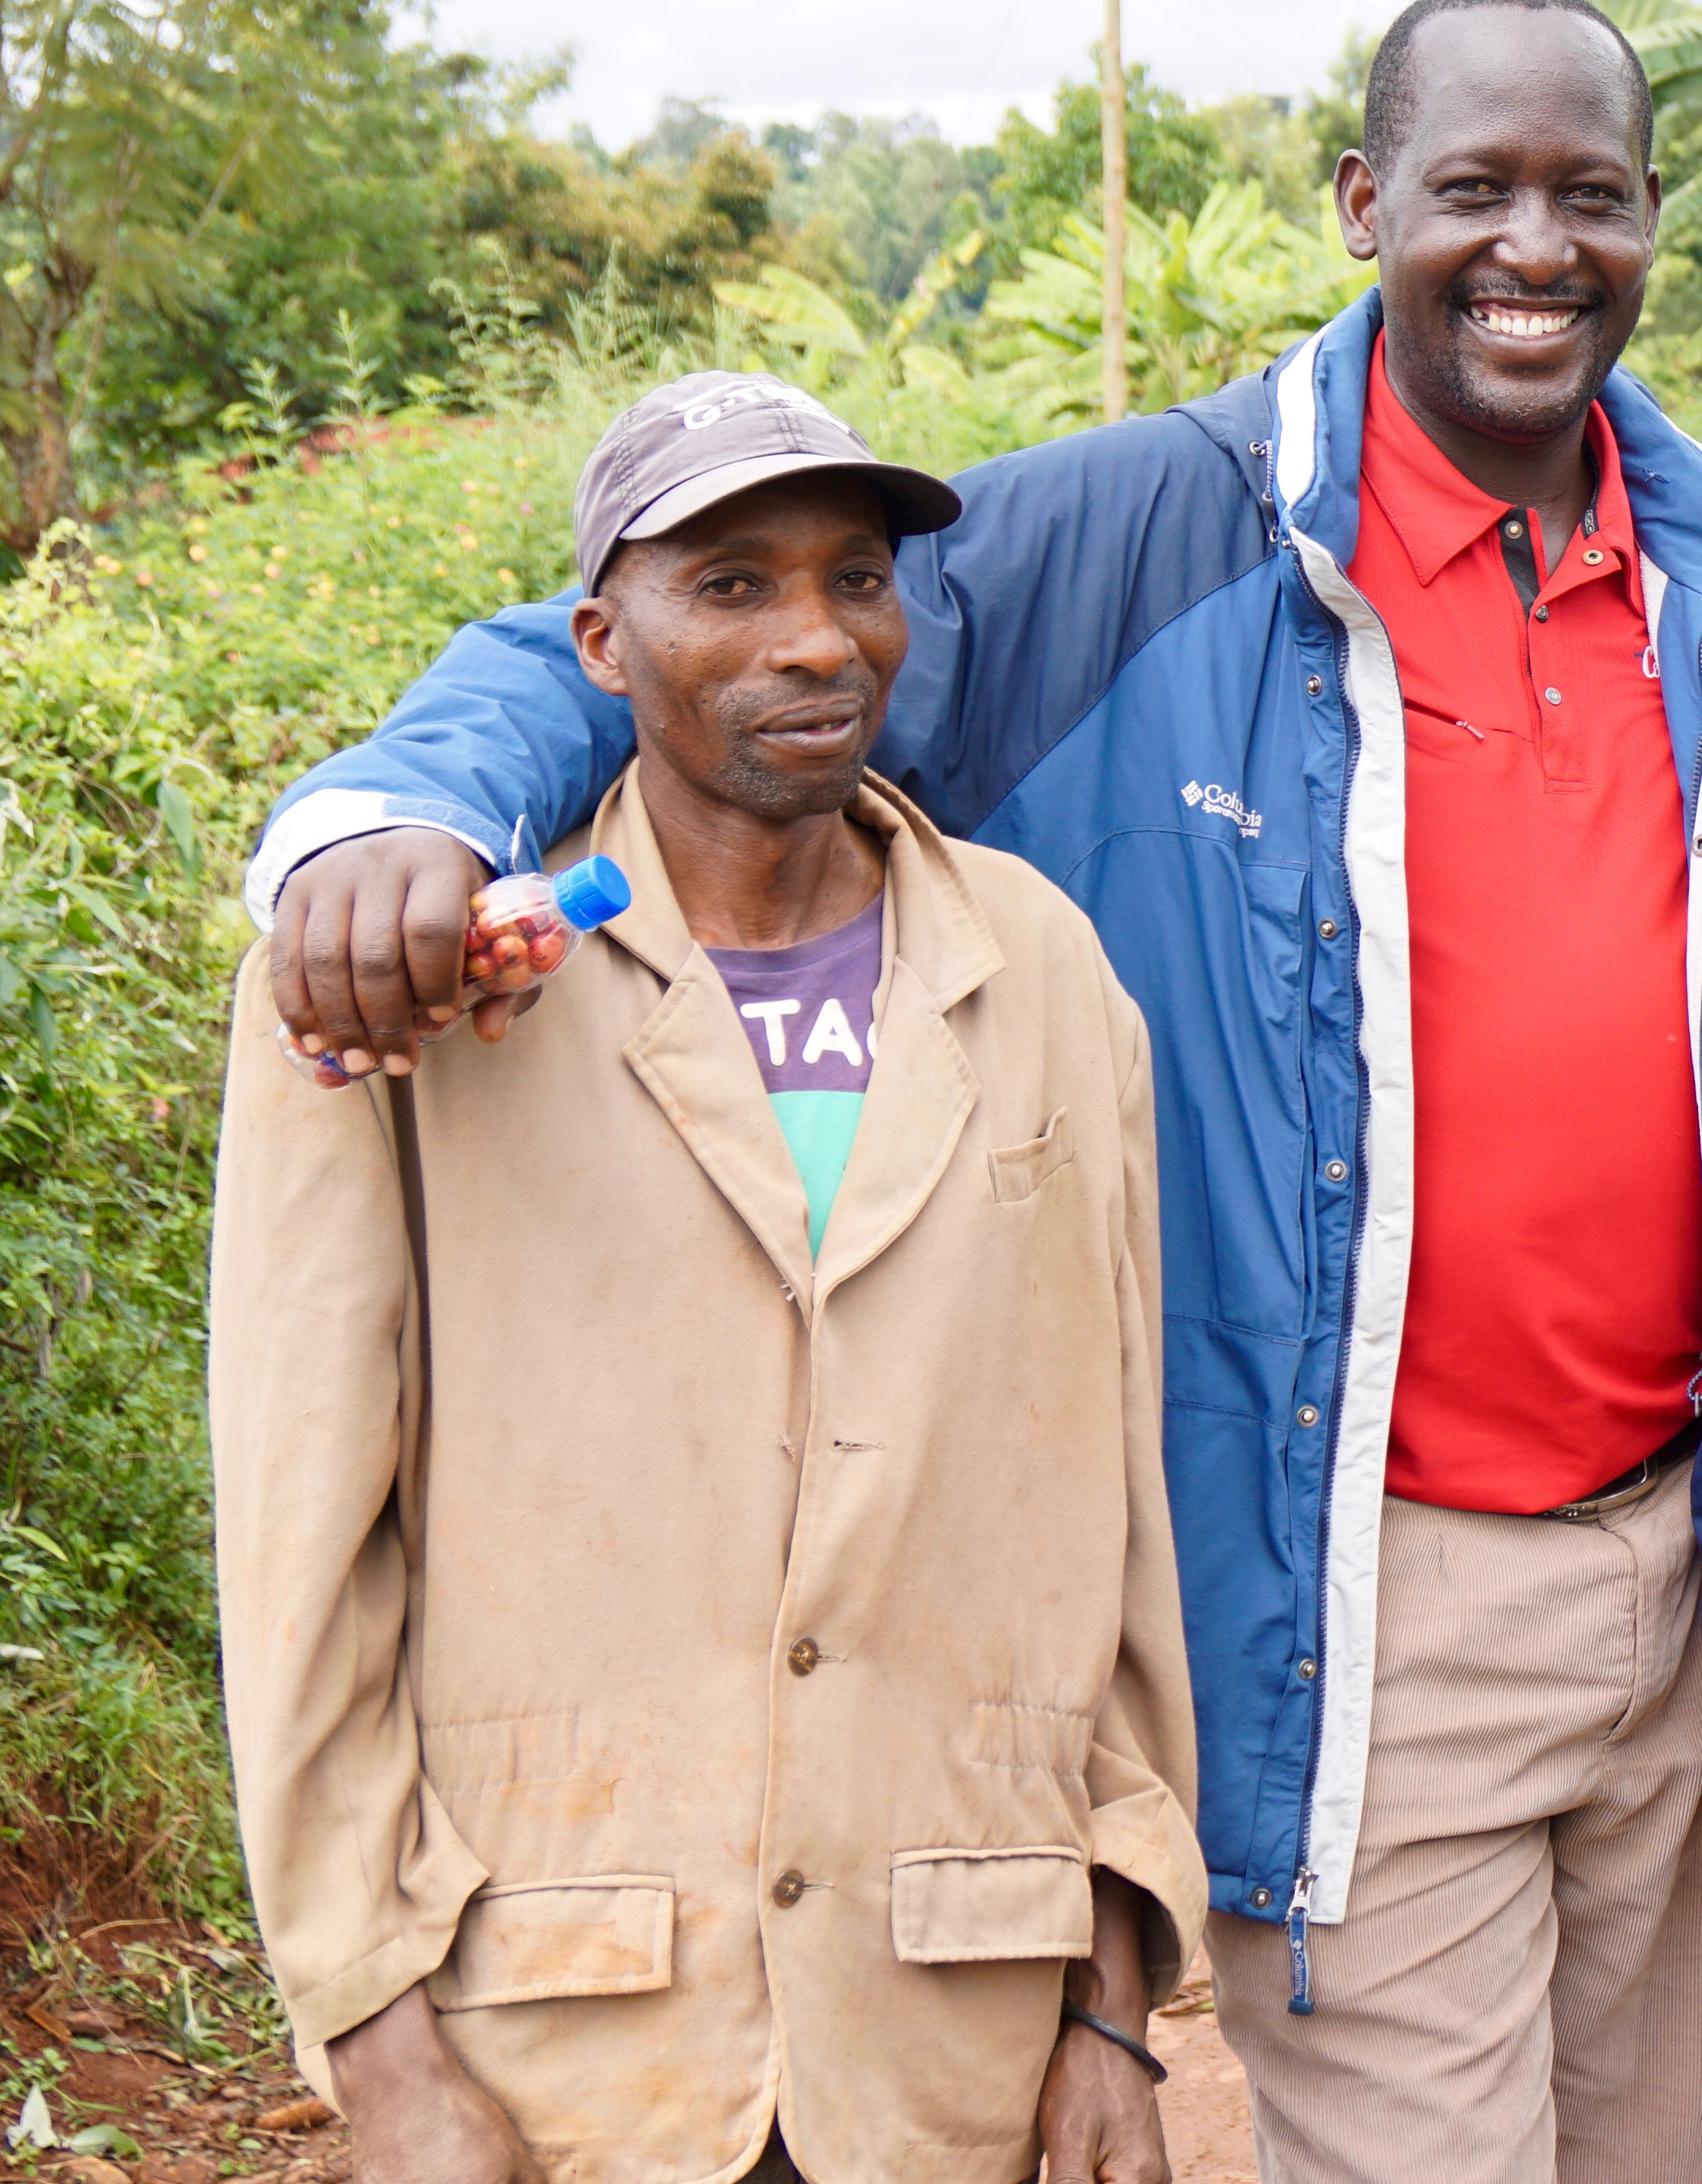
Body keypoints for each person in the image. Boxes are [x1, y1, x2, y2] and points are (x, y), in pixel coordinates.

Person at [236, 0, 1702, 2184]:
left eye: (1589, 193)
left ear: (1651, 223)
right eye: (1471, 187)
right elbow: (654, 622)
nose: (1532, 246)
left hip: (1680, 1586)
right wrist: (393, 821)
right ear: (1360, 198)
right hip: (1356, 1580)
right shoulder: (1139, 540)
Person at [210, 376, 1202, 2184]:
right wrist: (380, 2046)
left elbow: (1105, 1521)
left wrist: (1109, 2011)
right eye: (729, 585)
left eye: (855, 577)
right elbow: (303, 1556)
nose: (816, 639)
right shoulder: (416, 995)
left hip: (945, 2038)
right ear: (601, 639)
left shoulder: (1044, 966)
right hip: (569, 2049)